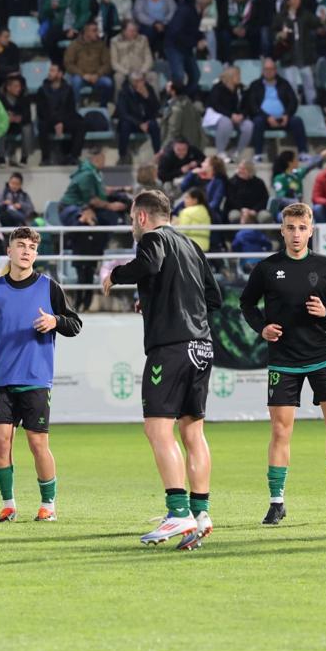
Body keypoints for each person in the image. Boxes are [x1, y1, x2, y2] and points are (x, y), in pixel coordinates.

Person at [103, 190, 220, 549]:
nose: (131, 226)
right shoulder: (190, 246)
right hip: (202, 346)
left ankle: (177, 512)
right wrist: (158, 298)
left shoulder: (152, 238)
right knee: (193, 432)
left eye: (130, 219)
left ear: (141, 217)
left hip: (171, 348)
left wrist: (116, 274)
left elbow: (150, 264)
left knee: (157, 430)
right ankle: (200, 514)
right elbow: (213, 297)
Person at [239, 203, 326, 525]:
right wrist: (261, 327)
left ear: (311, 229)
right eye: (290, 228)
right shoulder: (267, 268)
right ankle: (277, 502)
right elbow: (246, 303)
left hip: (322, 356)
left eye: (302, 228)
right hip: (284, 358)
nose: (296, 234)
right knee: (281, 431)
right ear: (282, 230)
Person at [0, 227, 81, 522]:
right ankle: (8, 504)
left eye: (31, 247)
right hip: (2, 380)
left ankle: (48, 505)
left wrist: (55, 321)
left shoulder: (49, 287)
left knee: (38, 443)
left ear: (35, 254)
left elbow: (75, 324)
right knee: (2, 441)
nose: (26, 251)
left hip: (36, 379)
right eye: (20, 245)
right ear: (9, 252)